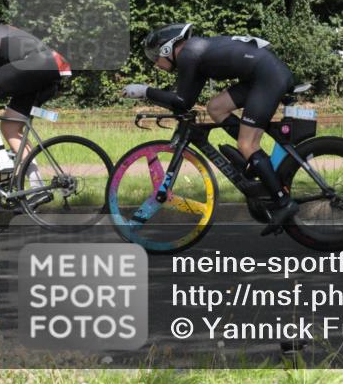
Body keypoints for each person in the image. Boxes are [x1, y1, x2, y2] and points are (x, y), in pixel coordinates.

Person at [124, 23, 298, 234]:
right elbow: (185, 102)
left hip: (267, 77)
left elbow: (180, 100)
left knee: (247, 143)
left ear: (167, 49)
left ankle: (283, 202)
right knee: (216, 107)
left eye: (155, 57)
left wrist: (145, 91)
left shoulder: (189, 54)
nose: (155, 63)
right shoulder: (195, 54)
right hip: (261, 75)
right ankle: (253, 160)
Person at [0, 25, 71, 178]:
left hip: (37, 62)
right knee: (10, 128)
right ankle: (36, 186)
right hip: (50, 65)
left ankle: (0, 158)